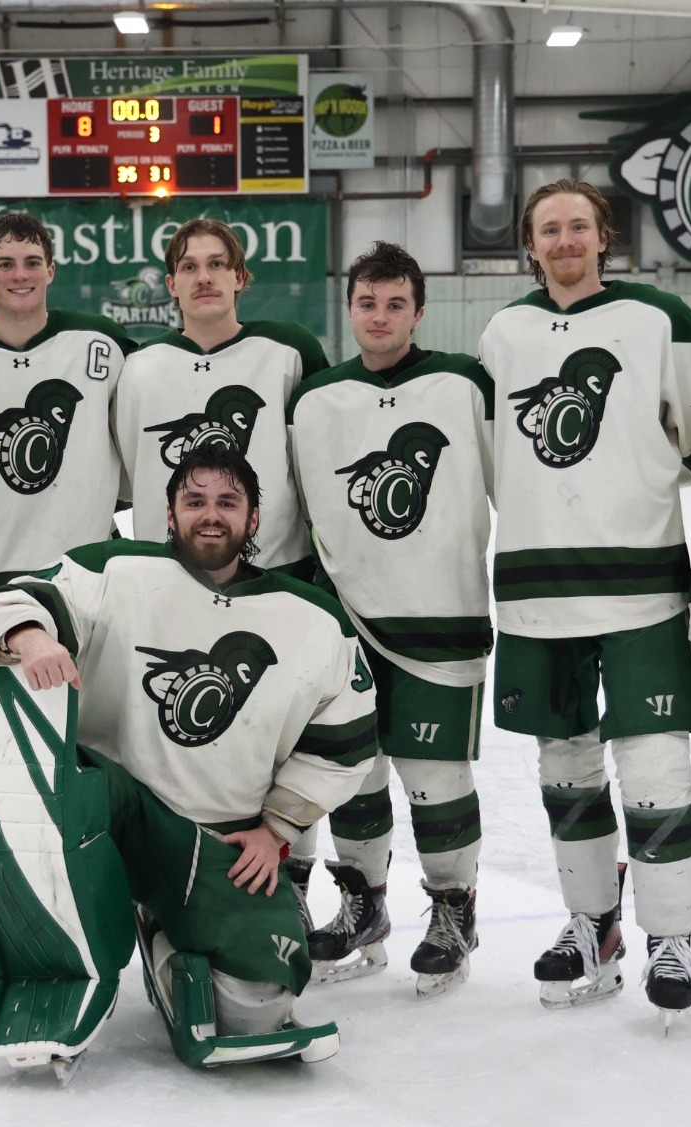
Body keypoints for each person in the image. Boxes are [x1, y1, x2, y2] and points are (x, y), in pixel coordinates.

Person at [0, 445, 377, 1070]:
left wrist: (277, 830)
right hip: (108, 811)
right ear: (171, 516)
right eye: (195, 501)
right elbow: (6, 602)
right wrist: (33, 633)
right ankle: (46, 952)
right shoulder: (113, 570)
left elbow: (346, 741)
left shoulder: (312, 616)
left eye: (228, 503)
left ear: (254, 519)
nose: (212, 515)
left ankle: (164, 937)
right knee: (36, 768)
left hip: (216, 838)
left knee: (260, 997)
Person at [476, 180, 691, 1026]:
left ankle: (671, 935)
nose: (565, 239)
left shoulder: (657, 318)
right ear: (529, 246)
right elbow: (498, 447)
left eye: (579, 225)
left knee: (653, 765)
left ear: (603, 235)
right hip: (537, 585)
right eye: (549, 229)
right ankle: (592, 923)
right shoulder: (504, 331)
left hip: (643, 579)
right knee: (564, 766)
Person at [284, 241, 493, 995]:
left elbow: (513, 485)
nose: (380, 316)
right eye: (367, 303)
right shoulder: (315, 399)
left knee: (436, 774)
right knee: (353, 773)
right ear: (349, 310)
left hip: (442, 611)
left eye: (395, 303)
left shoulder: (463, 383)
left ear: (419, 309)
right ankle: (362, 902)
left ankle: (452, 905)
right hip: (346, 621)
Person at [0, 211, 136, 646]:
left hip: (82, 579)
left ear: (50, 271)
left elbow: (141, 432)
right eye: (5, 264)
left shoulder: (102, 342)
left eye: (31, 261)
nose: (19, 274)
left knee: (91, 712)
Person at [114, 217, 328, 575]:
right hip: (166, 575)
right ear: (171, 284)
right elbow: (128, 470)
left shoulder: (290, 351)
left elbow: (320, 460)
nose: (204, 278)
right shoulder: (137, 367)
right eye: (189, 267)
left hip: (277, 570)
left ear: (239, 276)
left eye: (216, 264)